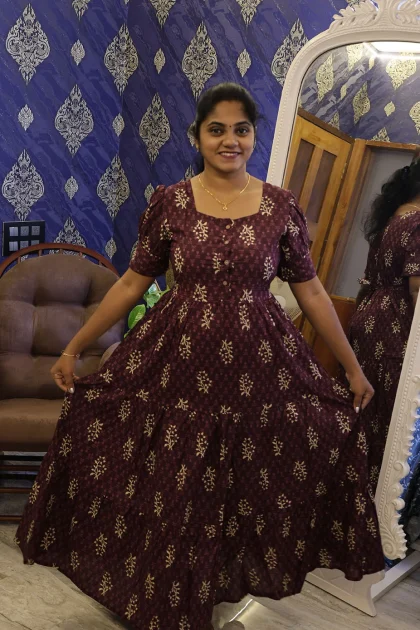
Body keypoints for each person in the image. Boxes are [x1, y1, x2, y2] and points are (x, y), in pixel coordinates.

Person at [16, 83, 384, 630]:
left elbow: (310, 291)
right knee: (171, 484)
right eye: (217, 130)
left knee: (235, 485)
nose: (230, 140)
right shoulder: (170, 202)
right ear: (197, 137)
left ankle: (206, 595)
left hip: (255, 366)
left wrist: (352, 367)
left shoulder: (280, 207)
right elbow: (132, 283)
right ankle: (163, 598)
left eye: (241, 130)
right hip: (176, 361)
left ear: (253, 136)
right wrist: (74, 346)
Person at [348, 156, 420, 492]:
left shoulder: (397, 216)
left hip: (369, 318)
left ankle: (348, 495)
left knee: (364, 416)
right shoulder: (418, 221)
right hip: (394, 328)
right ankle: (368, 502)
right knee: (386, 424)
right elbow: (417, 289)